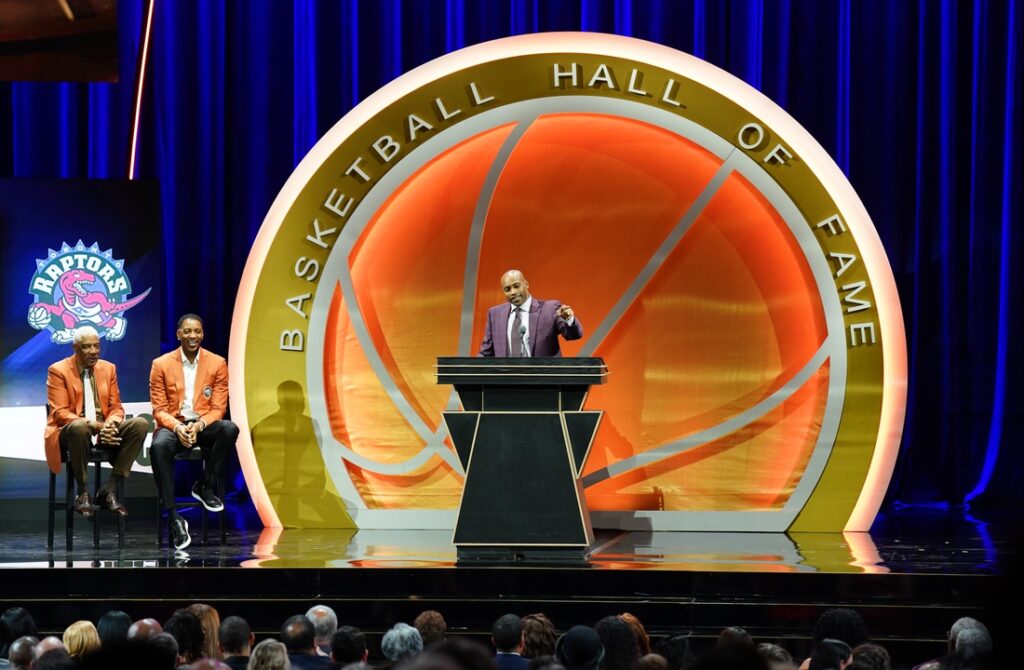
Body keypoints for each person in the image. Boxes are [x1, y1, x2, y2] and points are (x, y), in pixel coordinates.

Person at [149, 314, 239, 550]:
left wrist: (199, 425)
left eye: (197, 331)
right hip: (173, 425)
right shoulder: (161, 364)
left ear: (202, 334)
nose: (193, 336)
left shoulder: (217, 363)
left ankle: (204, 484)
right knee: (158, 446)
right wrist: (178, 427)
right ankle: (175, 518)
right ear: (178, 334)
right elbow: (159, 409)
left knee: (229, 429)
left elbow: (219, 408)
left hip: (202, 425)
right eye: (187, 331)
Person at [44, 326, 147, 517]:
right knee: (80, 427)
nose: (93, 351)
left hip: (103, 427)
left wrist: (110, 424)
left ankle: (109, 489)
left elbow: (116, 407)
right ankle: (82, 492)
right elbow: (60, 413)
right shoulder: (58, 370)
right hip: (71, 431)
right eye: (86, 347)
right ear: (75, 348)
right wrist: (97, 426)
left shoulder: (108, 368)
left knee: (140, 424)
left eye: (96, 346)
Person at [479, 270, 582, 357]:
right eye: (507, 289)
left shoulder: (549, 309)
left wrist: (569, 319)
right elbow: (486, 353)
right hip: (507, 379)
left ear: (526, 284)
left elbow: (574, 335)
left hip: (543, 379)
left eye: (516, 286)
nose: (513, 292)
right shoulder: (495, 314)